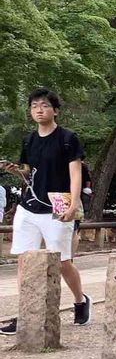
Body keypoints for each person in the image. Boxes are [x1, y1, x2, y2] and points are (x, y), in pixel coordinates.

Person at [0, 88, 92, 336]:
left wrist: (73, 205)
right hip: (28, 206)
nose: (39, 110)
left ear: (55, 110)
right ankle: (25, 314)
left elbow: (75, 173)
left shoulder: (67, 139)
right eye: (34, 106)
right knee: (25, 260)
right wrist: (15, 170)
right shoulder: (29, 140)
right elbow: (29, 172)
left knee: (62, 261)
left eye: (44, 105)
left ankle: (80, 301)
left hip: (59, 203)